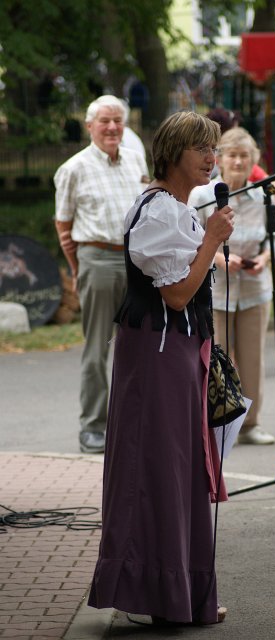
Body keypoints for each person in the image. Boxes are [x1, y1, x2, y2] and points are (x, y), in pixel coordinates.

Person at [88, 111, 233, 625]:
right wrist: (212, 240)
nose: (211, 159)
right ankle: (158, 597)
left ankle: (184, 595)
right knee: (157, 470)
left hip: (173, 351)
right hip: (155, 354)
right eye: (202, 149)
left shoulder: (176, 208)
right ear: (173, 153)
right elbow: (174, 295)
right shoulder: (158, 212)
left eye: (213, 148)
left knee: (182, 469)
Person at [54, 95, 149, 454]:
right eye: (104, 121)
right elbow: (63, 224)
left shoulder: (135, 159)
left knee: (140, 345)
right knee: (97, 348)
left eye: (118, 121)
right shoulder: (73, 168)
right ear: (89, 126)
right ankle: (93, 427)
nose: (112, 128)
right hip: (97, 257)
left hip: (137, 260)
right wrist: (80, 268)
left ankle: (134, 422)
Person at [190, 127, 275, 445]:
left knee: (253, 358)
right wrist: (221, 260)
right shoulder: (203, 196)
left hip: (254, 289)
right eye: (232, 155)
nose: (238, 162)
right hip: (217, 289)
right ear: (219, 160)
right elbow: (192, 239)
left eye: (245, 156)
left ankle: (251, 424)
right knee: (217, 357)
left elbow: (274, 240)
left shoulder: (263, 195)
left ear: (253, 159)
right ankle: (217, 424)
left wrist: (264, 259)